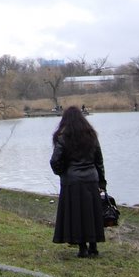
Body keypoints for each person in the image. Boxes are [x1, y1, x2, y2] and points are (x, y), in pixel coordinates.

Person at [50, 105, 106, 258]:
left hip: (72, 181)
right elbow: (99, 161)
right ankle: (93, 247)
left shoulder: (62, 137)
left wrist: (62, 173)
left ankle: (82, 248)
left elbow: (55, 161)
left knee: (76, 214)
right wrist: (102, 183)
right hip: (91, 179)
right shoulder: (91, 135)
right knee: (92, 213)